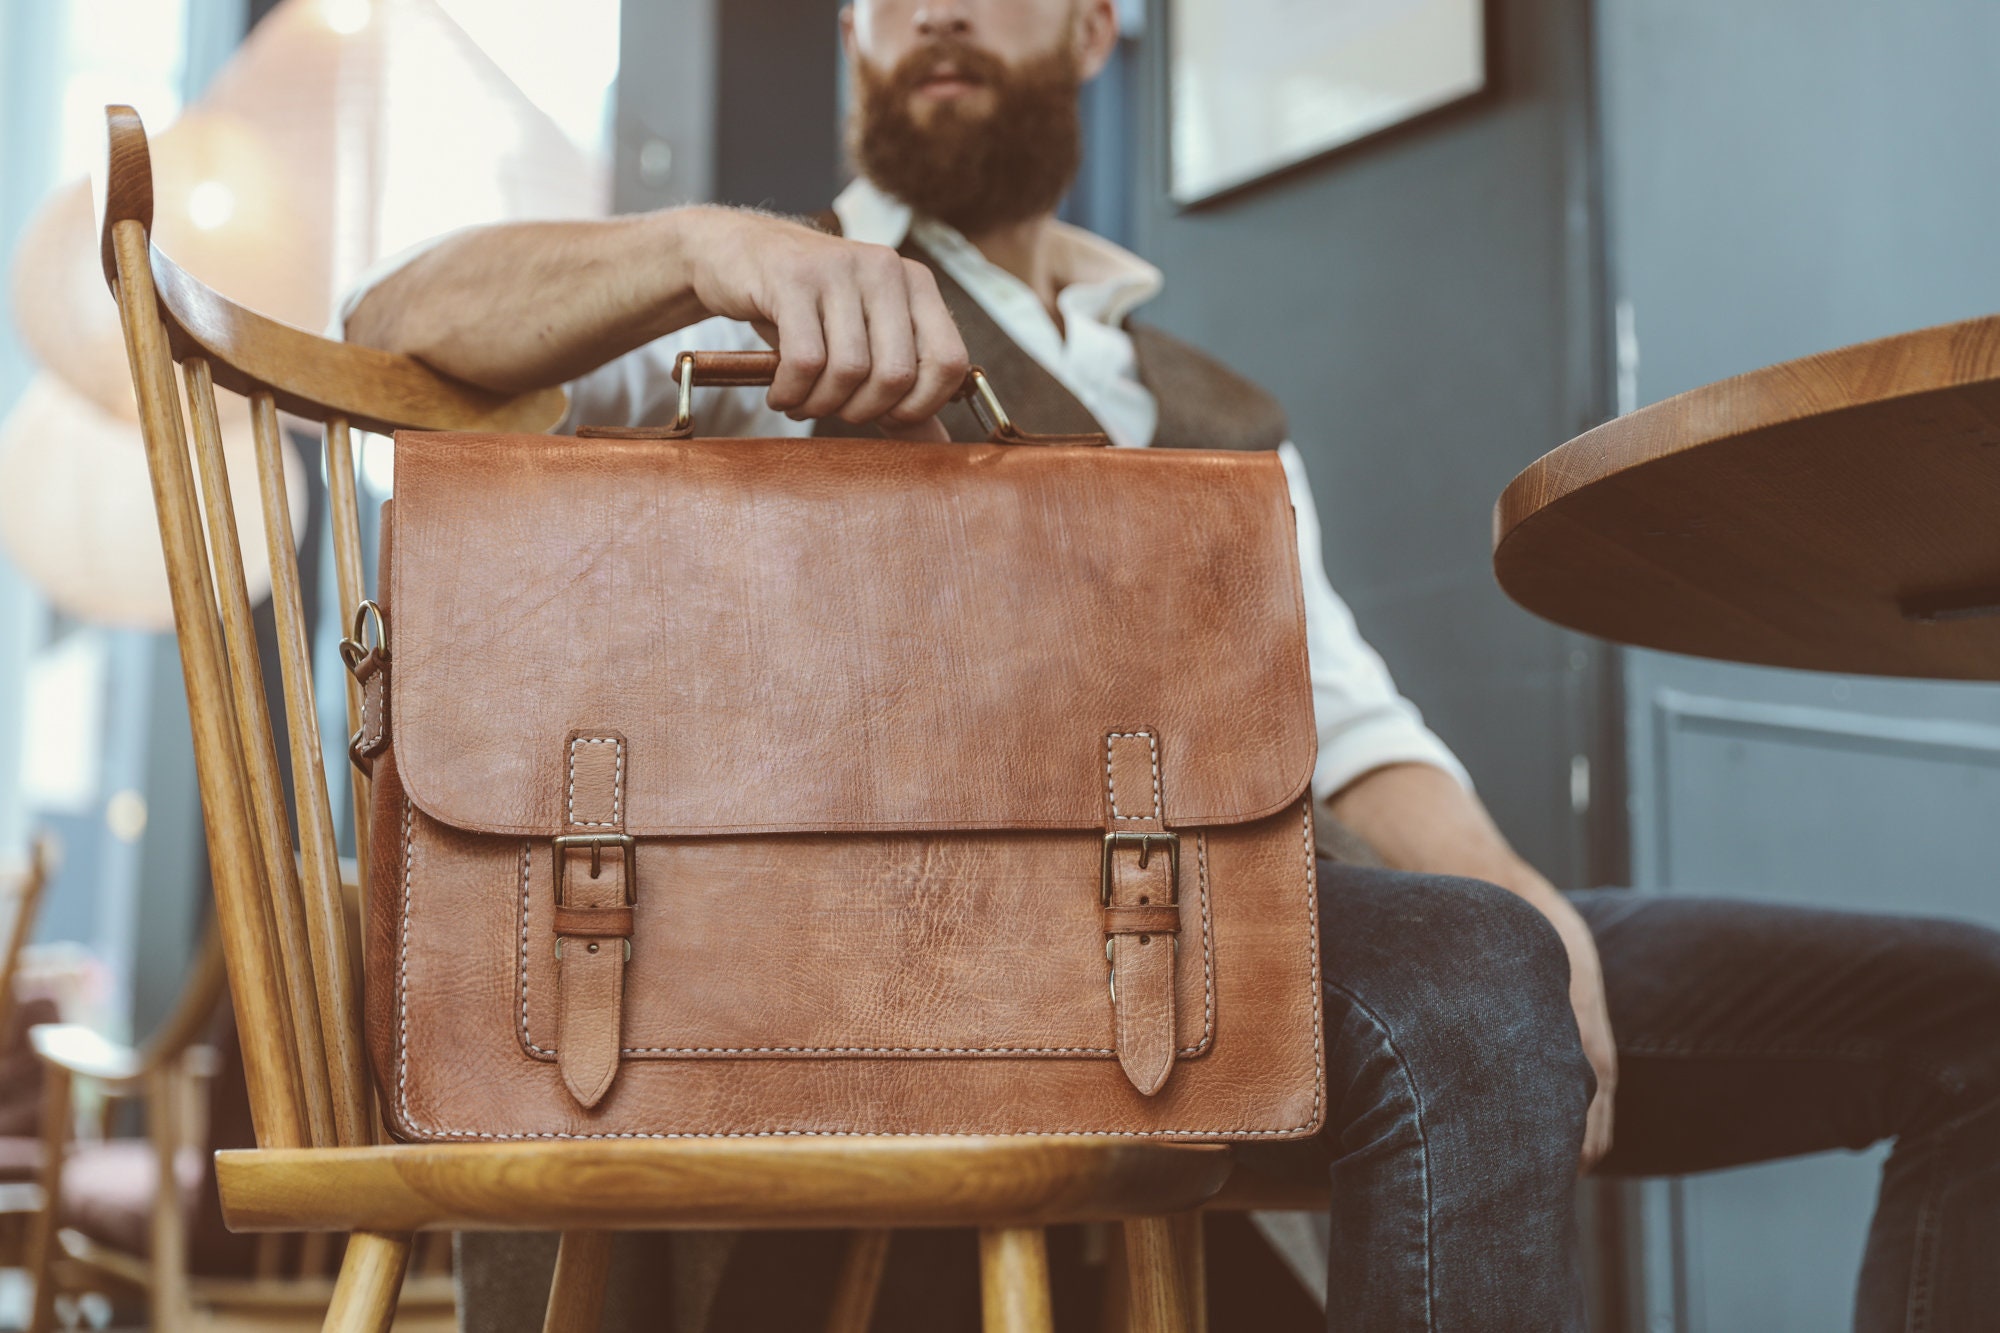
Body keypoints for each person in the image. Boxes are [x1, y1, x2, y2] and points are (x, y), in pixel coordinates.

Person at [343, 2, 2000, 1327]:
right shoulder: (749, 311)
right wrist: (706, 245)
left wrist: (1524, 897)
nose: (930, 14)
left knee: (1968, 1013)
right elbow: (384, 331)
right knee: (1465, 981)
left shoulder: (1212, 409)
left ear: (1093, 28)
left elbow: (1345, 719)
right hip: (963, 952)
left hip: (1314, 900)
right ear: (849, 40)